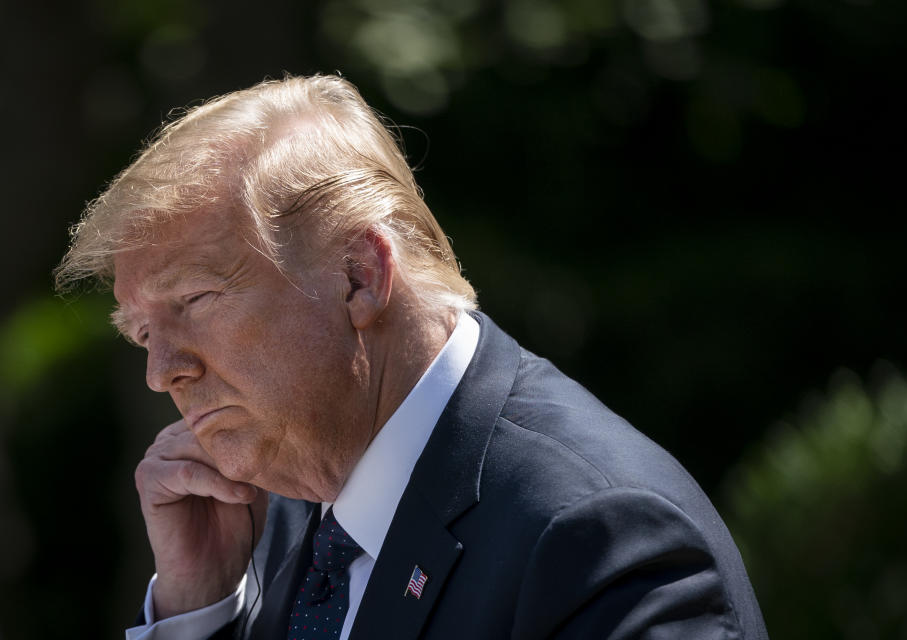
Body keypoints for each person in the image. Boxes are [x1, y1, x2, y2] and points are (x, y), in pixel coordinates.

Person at [56, 74, 767, 639]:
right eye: (144, 333)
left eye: (195, 301)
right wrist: (198, 612)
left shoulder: (596, 536)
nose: (163, 371)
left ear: (359, 277)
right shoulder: (280, 506)